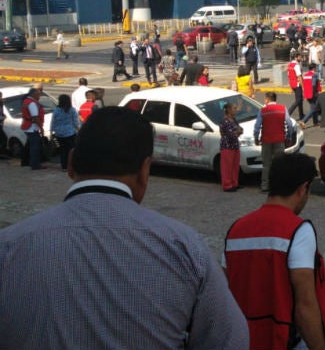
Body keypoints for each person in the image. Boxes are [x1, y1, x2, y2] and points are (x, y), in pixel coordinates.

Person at [0, 107, 249, 349]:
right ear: (145, 170)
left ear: (72, 162)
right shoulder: (185, 248)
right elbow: (231, 340)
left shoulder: (9, 246)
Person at [223, 153, 325, 349]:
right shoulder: (299, 231)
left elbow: (226, 291)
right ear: (303, 188)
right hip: (282, 341)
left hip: (244, 340)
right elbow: (305, 307)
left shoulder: (235, 230)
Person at [254, 91, 295, 193]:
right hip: (279, 140)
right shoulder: (282, 108)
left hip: (266, 140)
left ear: (267, 99)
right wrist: (288, 137)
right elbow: (289, 124)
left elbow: (257, 126)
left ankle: (265, 185)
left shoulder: (263, 110)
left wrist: (256, 137)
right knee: (279, 163)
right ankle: (279, 184)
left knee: (266, 164)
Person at [50, 94, 80, 172]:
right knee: (71, 150)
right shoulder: (72, 110)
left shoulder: (56, 110)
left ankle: (64, 166)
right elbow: (76, 122)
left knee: (63, 151)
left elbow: (53, 122)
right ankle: (72, 165)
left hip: (59, 133)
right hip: (70, 132)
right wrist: (79, 130)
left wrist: (51, 131)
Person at [218, 102, 243, 192]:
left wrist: (237, 132)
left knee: (235, 166)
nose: (235, 110)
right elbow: (230, 134)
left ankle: (234, 183)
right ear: (228, 110)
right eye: (234, 108)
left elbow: (240, 129)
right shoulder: (224, 121)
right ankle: (227, 185)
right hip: (227, 146)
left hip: (235, 145)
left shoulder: (234, 120)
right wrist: (237, 132)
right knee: (227, 167)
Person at [21, 84, 45, 170]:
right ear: (34, 94)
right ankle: (35, 165)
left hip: (27, 126)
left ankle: (27, 162)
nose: (39, 96)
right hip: (32, 127)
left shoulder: (26, 101)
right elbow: (35, 118)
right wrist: (41, 128)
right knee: (35, 147)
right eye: (38, 94)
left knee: (30, 145)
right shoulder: (32, 104)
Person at [287, 51, 305, 119]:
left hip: (292, 84)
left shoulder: (290, 65)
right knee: (298, 100)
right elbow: (299, 76)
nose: (300, 58)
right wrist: (303, 87)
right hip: (297, 84)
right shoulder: (296, 65)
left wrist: (290, 87)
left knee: (300, 99)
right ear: (296, 57)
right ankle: (288, 113)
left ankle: (301, 114)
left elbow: (288, 76)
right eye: (299, 56)